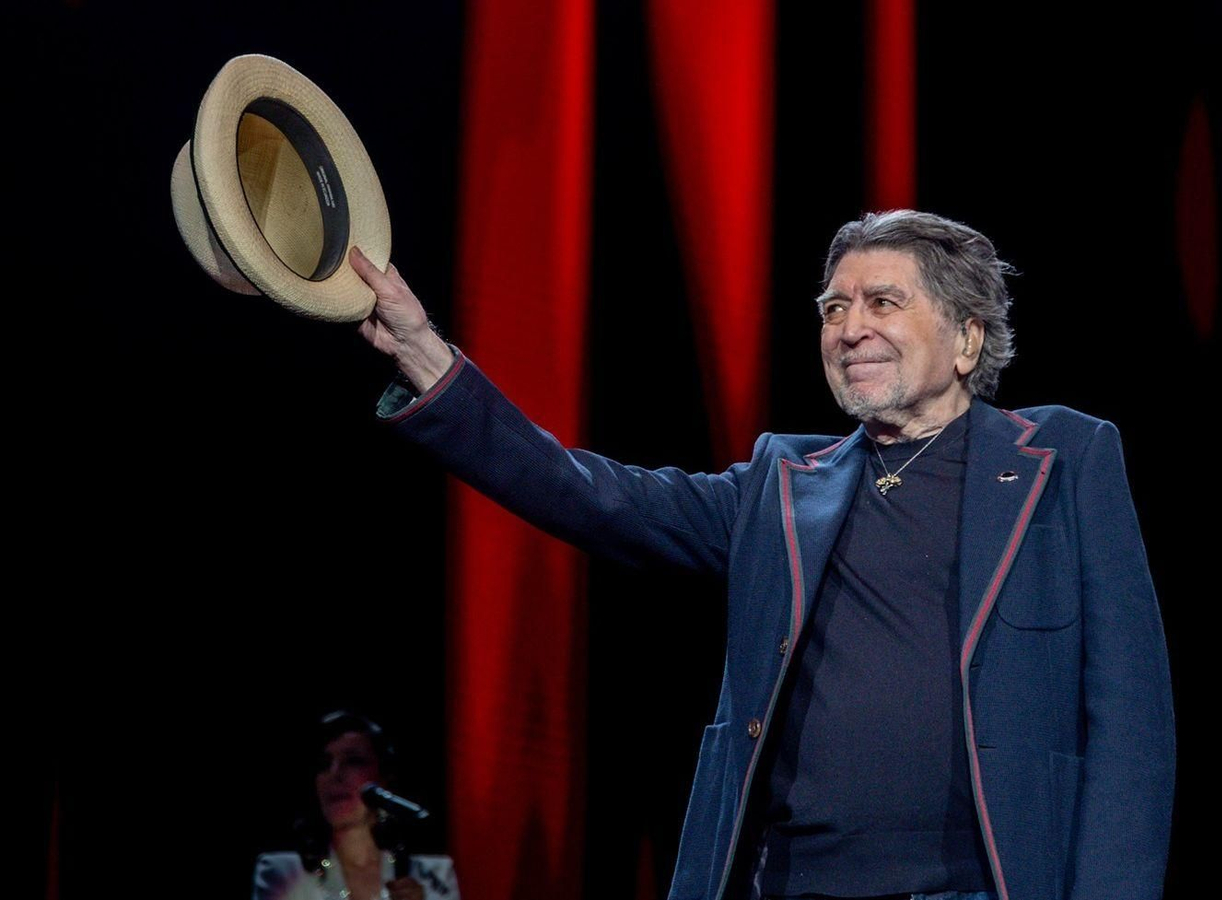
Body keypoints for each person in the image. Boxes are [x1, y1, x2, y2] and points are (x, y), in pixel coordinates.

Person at [351, 210, 1175, 900]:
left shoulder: (1062, 461)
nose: (850, 329)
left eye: (882, 302)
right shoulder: (783, 486)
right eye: (833, 308)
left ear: (966, 338)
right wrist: (428, 357)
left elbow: (1131, 725)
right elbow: (588, 494)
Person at [253, 711, 460, 900]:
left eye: (353, 761)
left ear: (384, 777)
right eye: (324, 764)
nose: (335, 774)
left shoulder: (433, 876)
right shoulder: (282, 873)